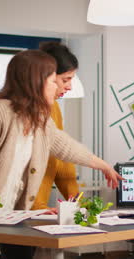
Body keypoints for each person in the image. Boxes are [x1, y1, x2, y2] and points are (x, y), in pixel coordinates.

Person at [0, 50, 123, 259]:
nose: (59, 87)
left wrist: (104, 166)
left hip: (4, 215)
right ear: (35, 82)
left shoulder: (39, 117)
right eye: (53, 80)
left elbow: (66, 147)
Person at [31, 42, 80, 211]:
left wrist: (76, 200)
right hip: (16, 210)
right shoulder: (19, 108)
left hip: (35, 209)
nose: (70, 86)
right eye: (65, 79)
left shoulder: (53, 107)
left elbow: (60, 155)